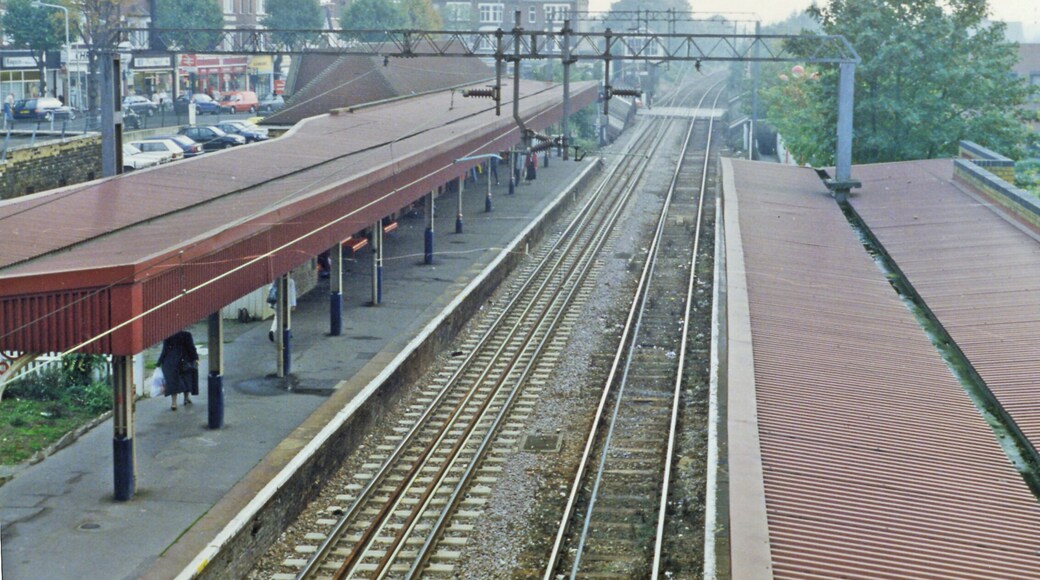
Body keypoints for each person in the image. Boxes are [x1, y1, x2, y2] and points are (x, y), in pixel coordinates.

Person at [157, 330, 199, 411]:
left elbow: (164, 350)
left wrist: (159, 362)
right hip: (185, 360)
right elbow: (191, 348)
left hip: (171, 361)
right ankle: (186, 399)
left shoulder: (168, 334)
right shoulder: (186, 334)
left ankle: (174, 403)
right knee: (187, 379)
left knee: (174, 382)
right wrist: (196, 358)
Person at [268, 277, 297, 342]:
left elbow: (270, 291)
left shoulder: (275, 280)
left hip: (275, 303)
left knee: (277, 317)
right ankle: (287, 332)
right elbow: (292, 293)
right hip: (286, 303)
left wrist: (271, 304)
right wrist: (293, 304)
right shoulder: (290, 281)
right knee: (287, 317)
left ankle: (272, 330)